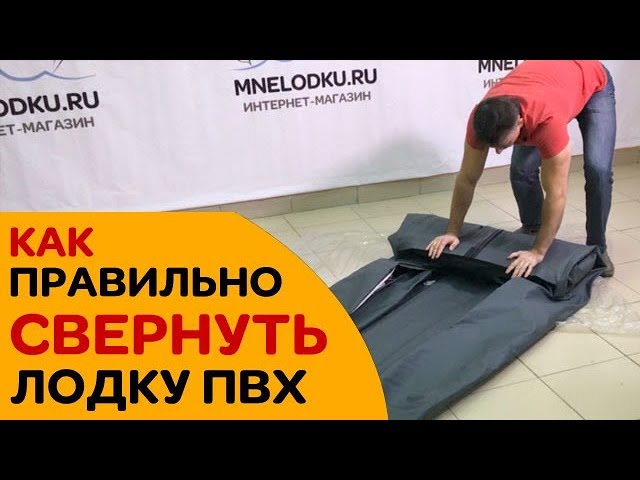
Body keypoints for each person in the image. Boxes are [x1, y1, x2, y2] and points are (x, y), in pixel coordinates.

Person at [426, 60, 617, 279]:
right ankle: (532, 227)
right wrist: (452, 231)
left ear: (519, 122)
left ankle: (597, 248)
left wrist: (538, 252)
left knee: (598, 170)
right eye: (493, 146)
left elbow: (556, 194)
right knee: (521, 170)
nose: (498, 152)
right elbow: (467, 179)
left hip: (591, 81)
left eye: (504, 145)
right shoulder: (482, 118)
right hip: (552, 84)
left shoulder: (547, 121)